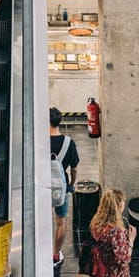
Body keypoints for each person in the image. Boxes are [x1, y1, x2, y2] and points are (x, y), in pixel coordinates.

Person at [50, 107, 80, 268]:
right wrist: (71, 184)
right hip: (61, 188)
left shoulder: (39, 141)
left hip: (41, 187)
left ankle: (39, 250)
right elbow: (74, 168)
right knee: (61, 222)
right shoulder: (69, 143)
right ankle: (55, 255)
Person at [89, 189, 135, 277]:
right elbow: (123, 260)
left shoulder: (96, 223)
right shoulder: (117, 231)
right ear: (118, 207)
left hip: (99, 274)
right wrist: (131, 241)